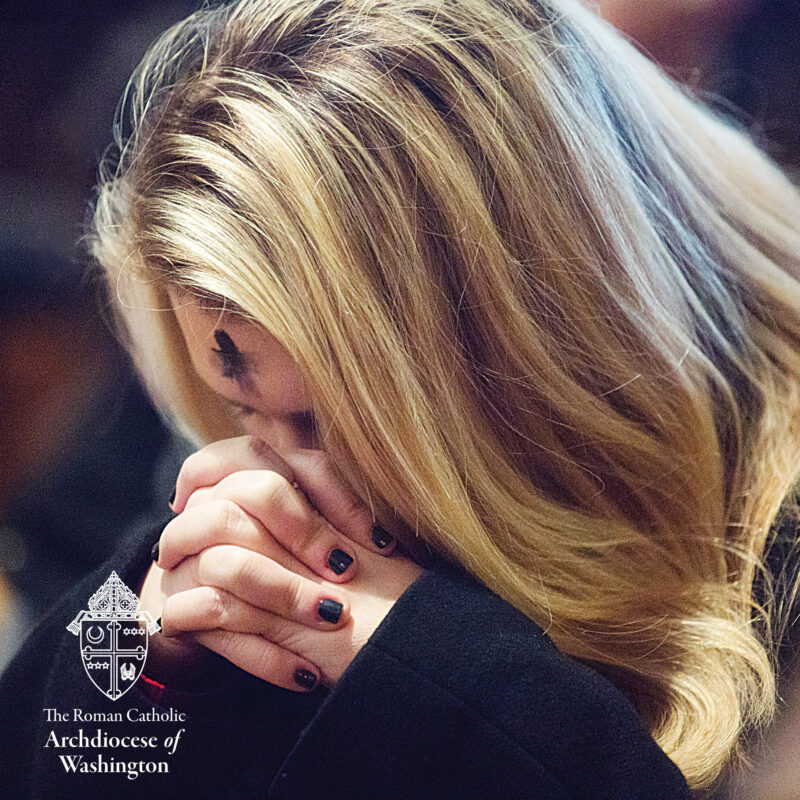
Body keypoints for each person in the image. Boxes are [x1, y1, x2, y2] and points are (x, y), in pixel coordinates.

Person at [2, 0, 800, 796]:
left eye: (330, 420)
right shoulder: (263, 502)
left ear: (530, 350)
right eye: (243, 413)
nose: (278, 478)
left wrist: (441, 673)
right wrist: (142, 670)